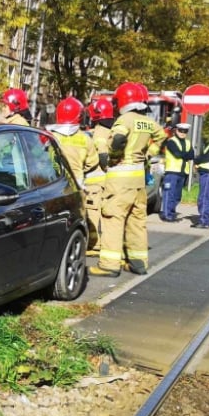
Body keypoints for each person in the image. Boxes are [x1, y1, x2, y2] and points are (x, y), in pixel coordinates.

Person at [90, 81, 166, 278]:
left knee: (113, 219)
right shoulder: (147, 121)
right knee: (137, 220)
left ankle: (109, 265)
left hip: (120, 180)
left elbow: (117, 140)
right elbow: (161, 135)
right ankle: (138, 262)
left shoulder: (124, 120)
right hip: (138, 181)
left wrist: (112, 156)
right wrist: (149, 154)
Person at [83, 97, 114, 254]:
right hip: (109, 180)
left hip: (96, 181)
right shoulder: (112, 130)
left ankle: (94, 244)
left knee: (93, 212)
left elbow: (102, 157)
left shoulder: (100, 132)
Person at [46, 96, 98, 189]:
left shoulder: (49, 136)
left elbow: (36, 155)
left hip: (51, 183)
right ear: (80, 116)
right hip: (77, 183)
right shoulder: (86, 138)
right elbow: (93, 163)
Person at [160, 122, 194, 222]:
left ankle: (171, 212)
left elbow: (191, 155)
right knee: (169, 194)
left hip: (182, 173)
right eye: (180, 131)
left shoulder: (188, 142)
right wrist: (185, 154)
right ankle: (167, 215)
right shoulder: (171, 141)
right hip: (172, 172)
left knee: (177, 196)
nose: (183, 133)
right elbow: (177, 154)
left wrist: (185, 154)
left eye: (185, 131)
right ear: (176, 131)